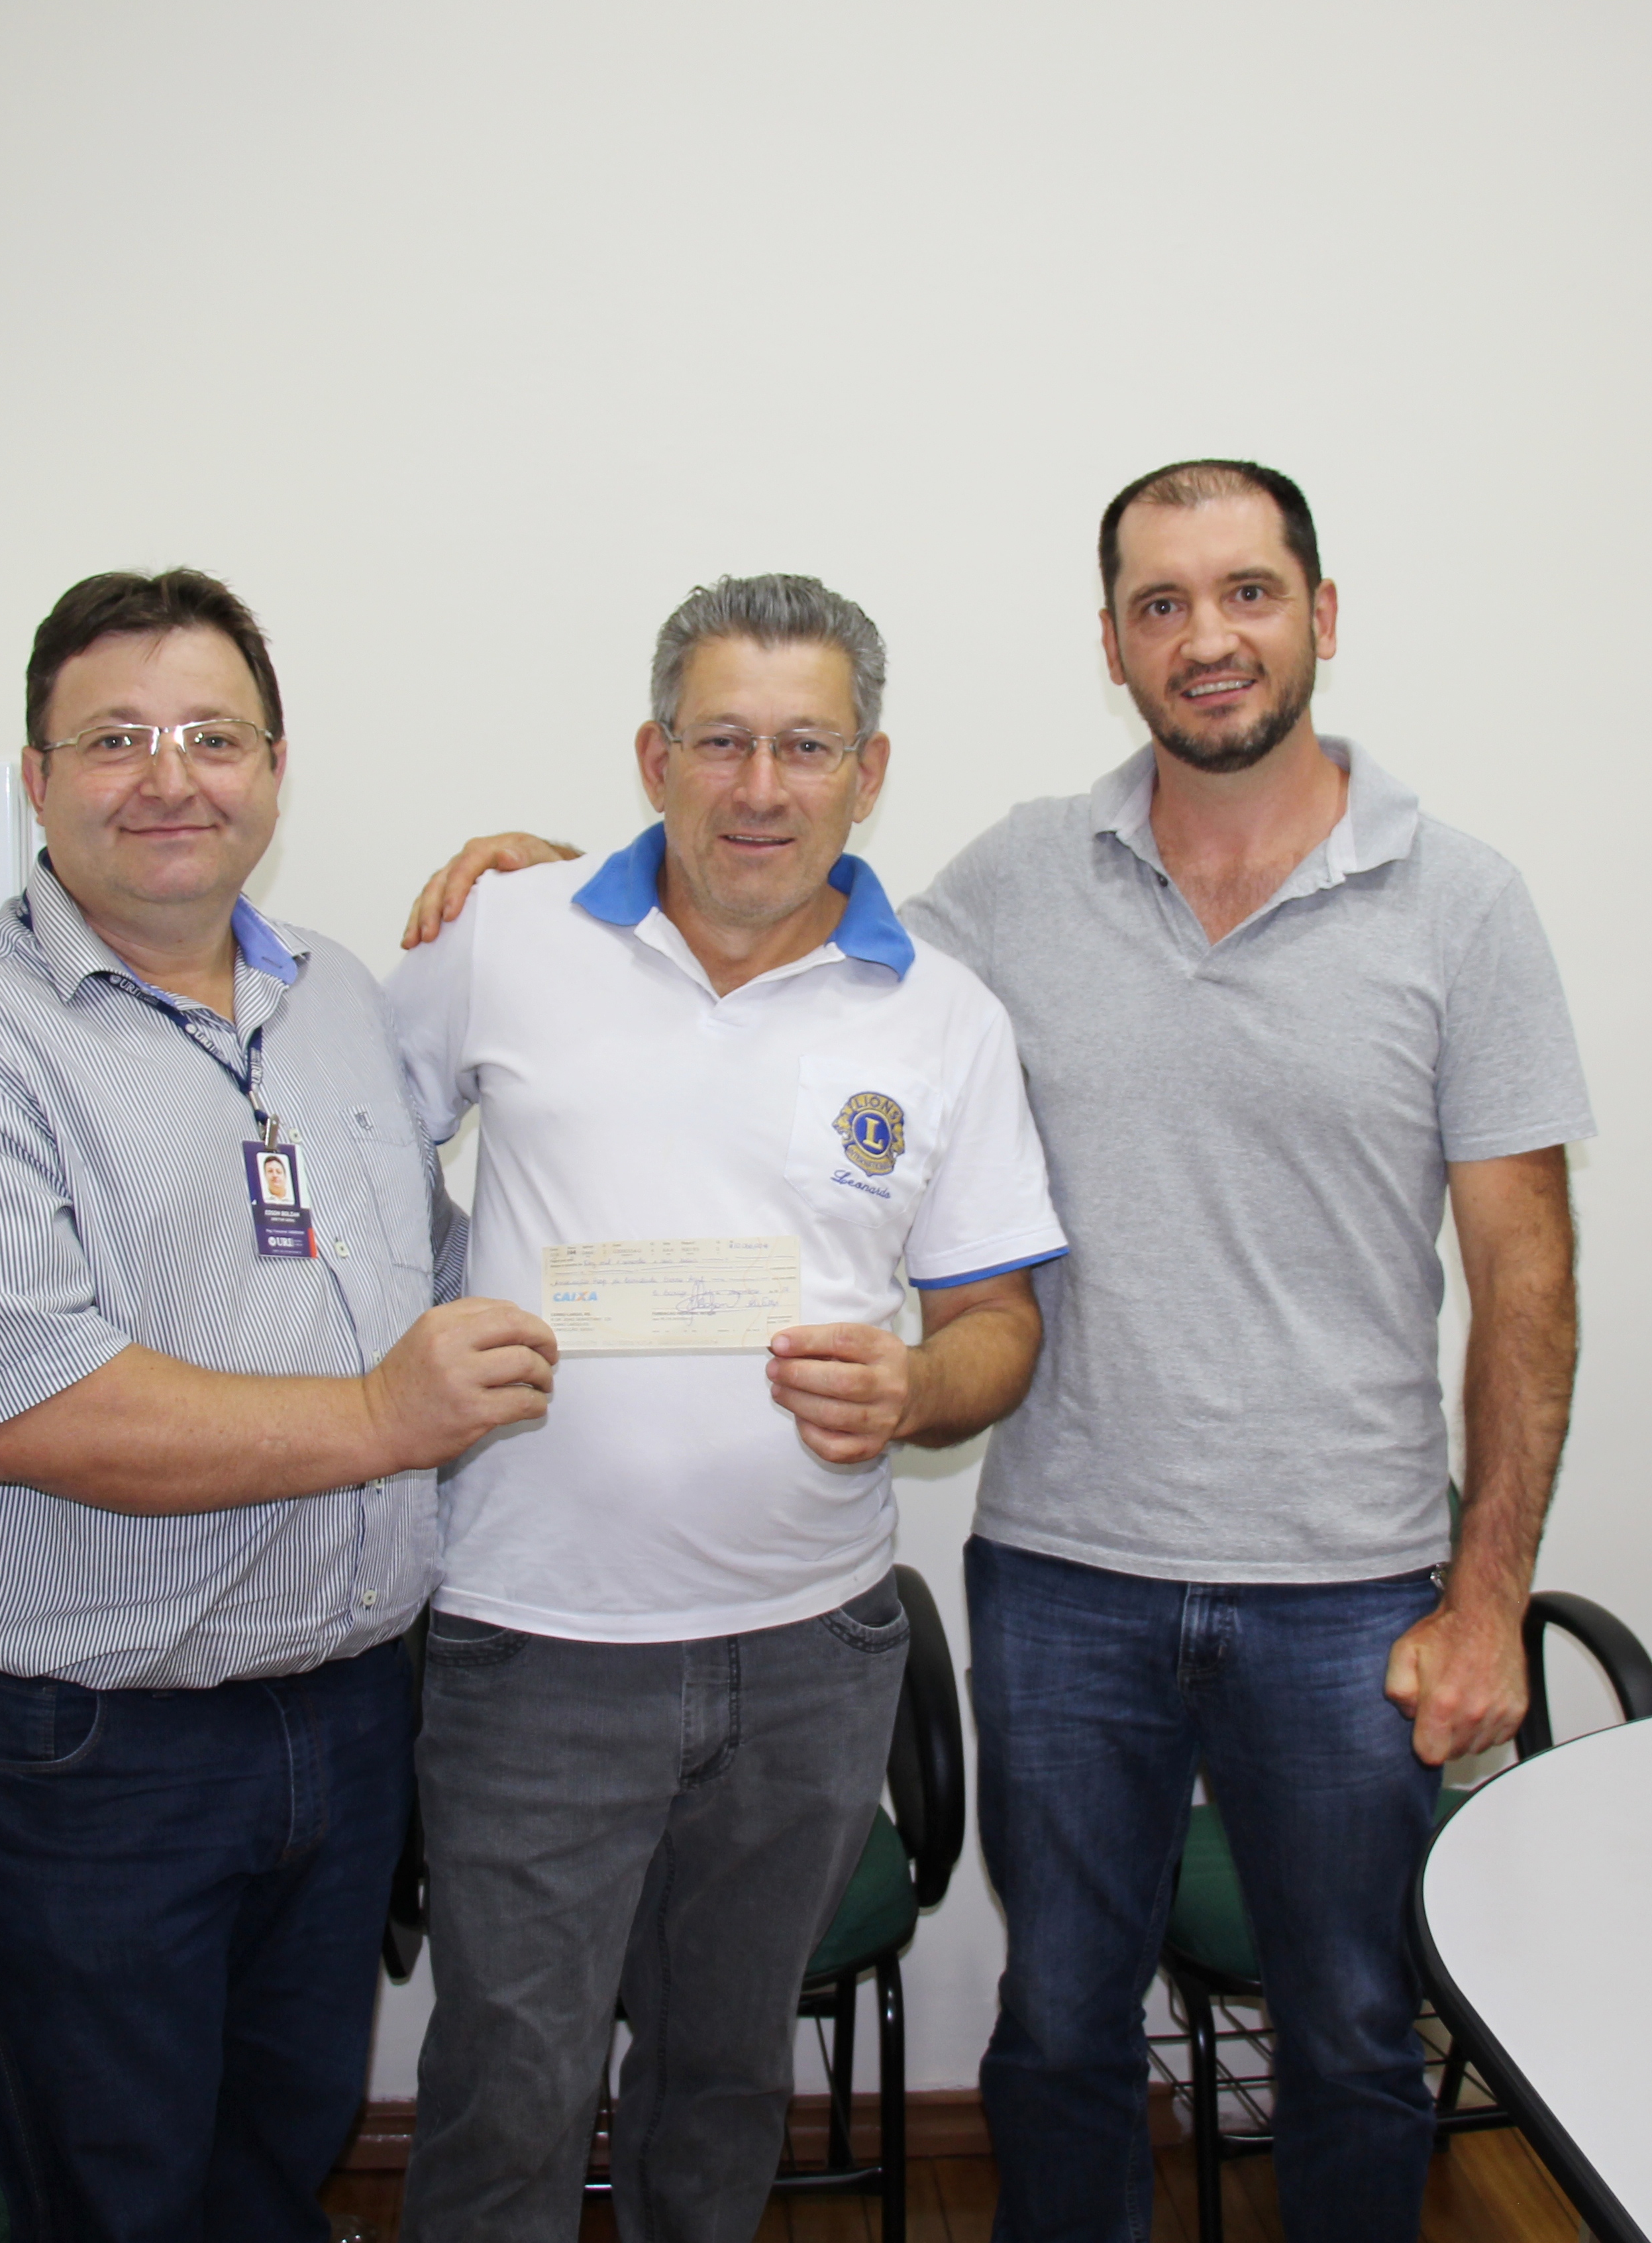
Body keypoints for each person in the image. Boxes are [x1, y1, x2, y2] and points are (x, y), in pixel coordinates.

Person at [401, 464, 1591, 2243]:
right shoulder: (1013, 887)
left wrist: (1489, 1591)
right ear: (1113, 640)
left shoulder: (1457, 905)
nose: (1209, 638)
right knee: (1053, 2035)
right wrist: (547, 876)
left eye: (1249, 594)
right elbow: (767, 926)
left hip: (1348, 1582)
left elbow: (1526, 1278)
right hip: (1066, 1573)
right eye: (1164, 603)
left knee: (1349, 2032)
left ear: (1321, 618)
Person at [0, 568, 558, 2243]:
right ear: (37, 776)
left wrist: (576, 921)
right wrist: (383, 1418)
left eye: (215, 735)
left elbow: (436, 1275)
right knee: (120, 2194)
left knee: (272, 2161)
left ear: (276, 772)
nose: (171, 776)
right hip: (88, 1750)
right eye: (116, 739)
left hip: (347, 1715)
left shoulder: (339, 1003)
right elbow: (36, 1414)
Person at [382, 574, 1067, 2243]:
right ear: (655, 755)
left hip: (804, 1655)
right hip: (532, 1644)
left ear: (870, 771)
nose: (762, 788)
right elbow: (341, 1170)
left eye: (806, 747)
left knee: (727, 2081)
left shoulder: (945, 1015)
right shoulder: (508, 941)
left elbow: (997, 1322)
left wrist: (915, 1390)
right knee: (509, 2091)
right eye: (723, 742)